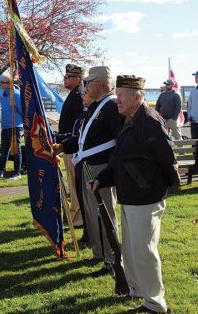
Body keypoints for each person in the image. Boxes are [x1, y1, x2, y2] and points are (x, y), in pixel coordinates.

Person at [90, 75, 180, 314]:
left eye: (121, 96)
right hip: (130, 196)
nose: (116, 100)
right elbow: (119, 158)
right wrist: (102, 178)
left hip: (146, 198)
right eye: (117, 94)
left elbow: (167, 159)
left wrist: (156, 188)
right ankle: (137, 290)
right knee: (130, 251)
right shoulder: (129, 119)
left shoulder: (149, 121)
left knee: (144, 252)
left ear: (138, 98)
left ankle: (155, 303)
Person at [60, 66, 123, 277]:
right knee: (91, 214)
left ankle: (112, 259)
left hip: (101, 167)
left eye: (89, 82)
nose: (85, 86)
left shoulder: (112, 106)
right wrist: (62, 146)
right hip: (88, 165)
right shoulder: (96, 106)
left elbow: (118, 140)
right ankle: (100, 253)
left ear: (101, 84)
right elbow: (84, 137)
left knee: (104, 214)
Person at [58, 64, 85, 227]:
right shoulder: (74, 94)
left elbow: (79, 123)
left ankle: (78, 218)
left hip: (74, 146)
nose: (64, 80)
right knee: (72, 181)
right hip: (69, 145)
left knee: (75, 183)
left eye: (67, 77)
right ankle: (75, 215)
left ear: (77, 79)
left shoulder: (79, 95)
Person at [0, 75, 23, 180]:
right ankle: (0, 171)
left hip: (14, 126)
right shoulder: (4, 95)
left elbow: (23, 111)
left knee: (16, 150)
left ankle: (17, 173)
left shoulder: (16, 95)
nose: (0, 84)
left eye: (3, 82)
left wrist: (22, 125)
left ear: (10, 84)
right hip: (5, 127)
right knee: (4, 150)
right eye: (1, 82)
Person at [187, 70, 198, 139]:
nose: (195, 78)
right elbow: (189, 105)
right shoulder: (192, 91)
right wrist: (189, 116)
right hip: (194, 121)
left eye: (196, 76)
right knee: (194, 143)